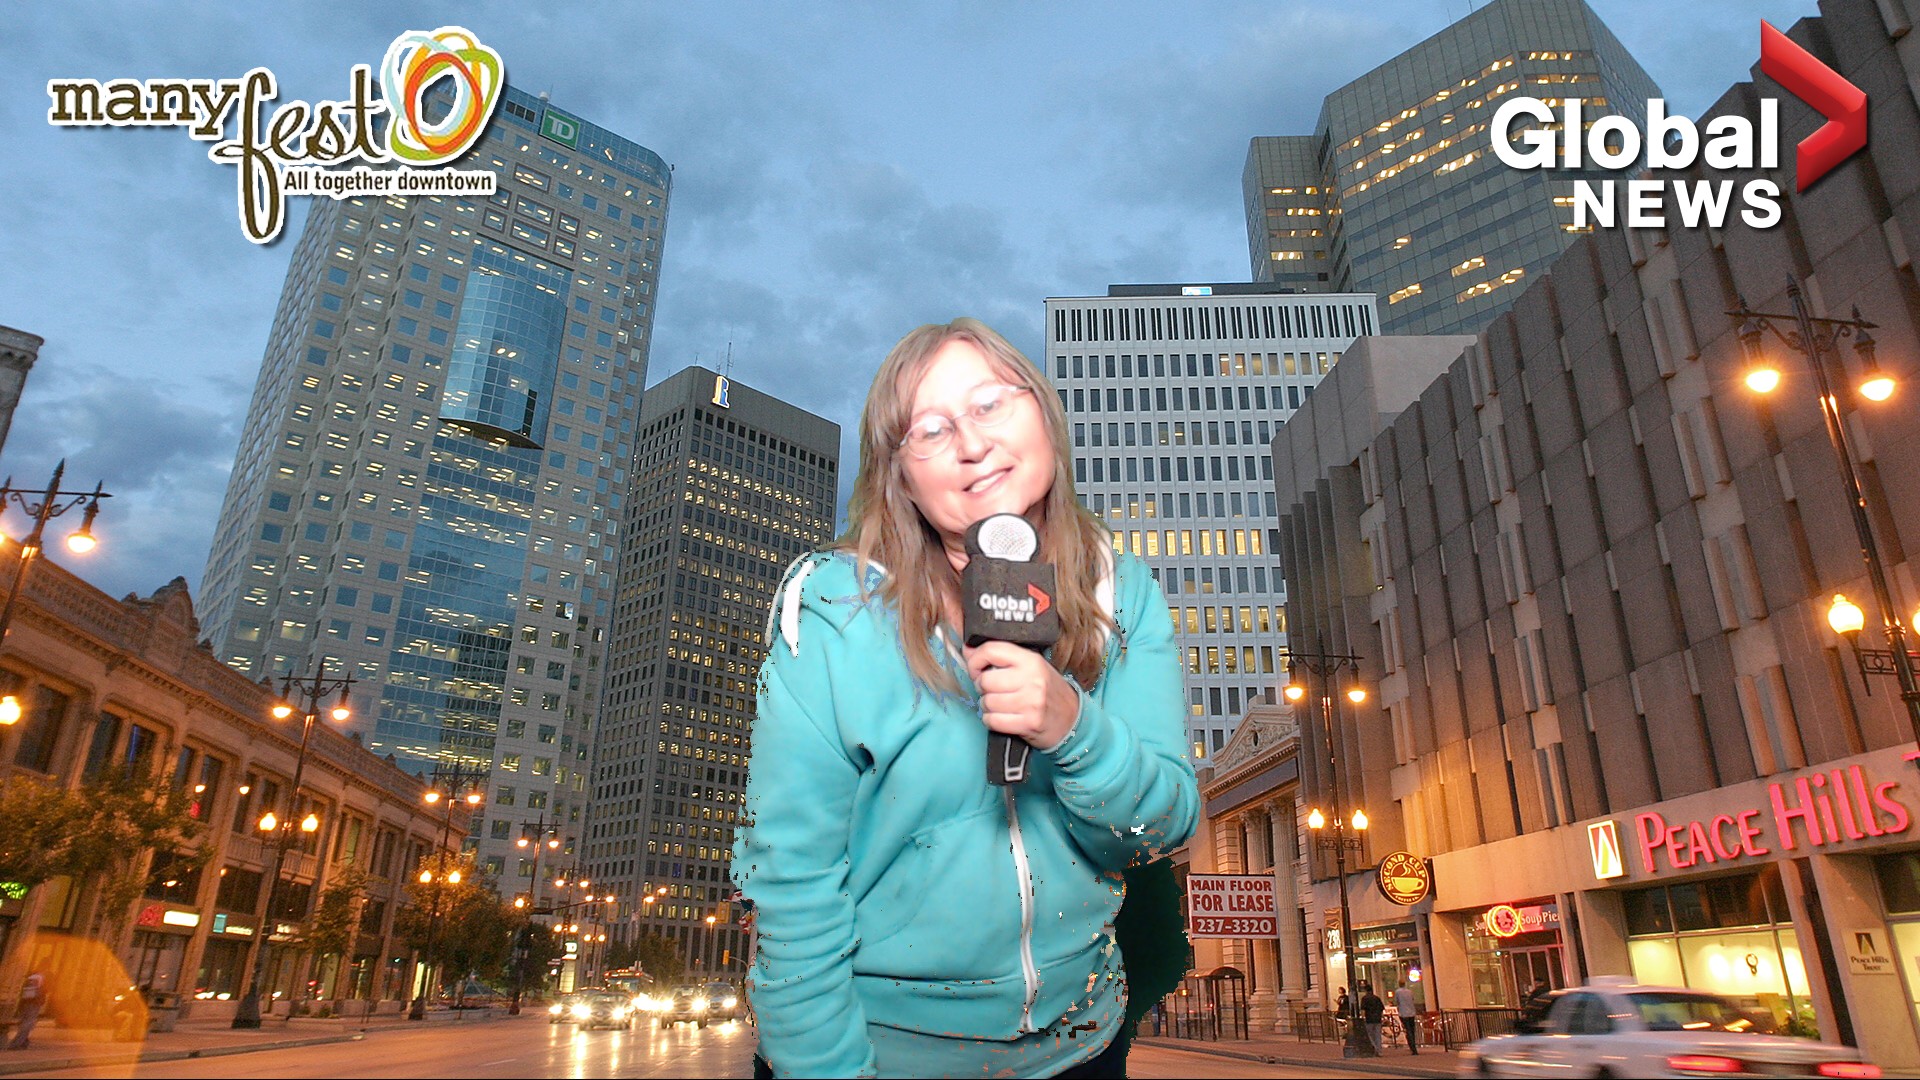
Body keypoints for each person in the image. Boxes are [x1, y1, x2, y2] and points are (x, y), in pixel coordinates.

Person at [735, 319, 1201, 1079]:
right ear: (900, 475)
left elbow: (1158, 828)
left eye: (990, 404)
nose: (973, 443)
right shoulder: (832, 611)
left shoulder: (1123, 592)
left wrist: (1072, 728)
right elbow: (790, 883)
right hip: (880, 1056)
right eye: (931, 429)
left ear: (1042, 412)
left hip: (1082, 1047)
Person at [7, 969, 45, 1050]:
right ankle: (16, 1044)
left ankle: (24, 1042)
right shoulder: (40, 978)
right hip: (34, 1004)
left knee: (24, 1022)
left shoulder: (29, 979)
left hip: (25, 1003)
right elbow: (42, 991)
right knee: (28, 1024)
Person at [1358, 981, 1386, 1056]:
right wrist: (1381, 1017)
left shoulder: (1364, 999)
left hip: (1369, 1019)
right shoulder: (1377, 998)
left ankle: (1374, 1048)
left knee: (1370, 1035)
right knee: (1378, 1035)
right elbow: (1381, 1008)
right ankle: (1379, 1050)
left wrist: (1363, 1017)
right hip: (1377, 1019)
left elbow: (1363, 1009)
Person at [1393, 982, 1419, 1055]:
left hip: (1403, 1013)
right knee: (1412, 1030)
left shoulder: (1398, 992)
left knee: (1407, 1030)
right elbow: (1412, 1000)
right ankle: (1413, 1045)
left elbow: (1397, 1001)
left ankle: (1412, 1047)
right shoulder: (1409, 991)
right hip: (1411, 1012)